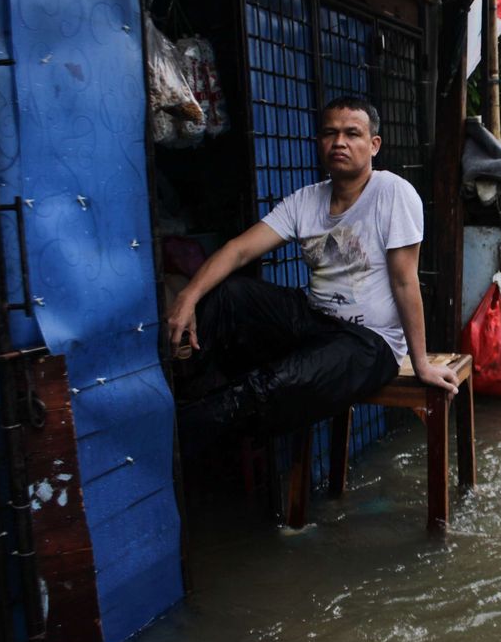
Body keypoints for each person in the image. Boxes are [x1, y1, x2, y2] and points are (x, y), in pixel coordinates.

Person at [166, 95, 457, 435]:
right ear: (319, 142)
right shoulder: (306, 199)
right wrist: (187, 295)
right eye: (330, 133)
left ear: (374, 144)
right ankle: (181, 387)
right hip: (315, 321)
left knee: (273, 384)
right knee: (230, 295)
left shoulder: (393, 192)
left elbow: (405, 282)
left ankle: (177, 435)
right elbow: (238, 251)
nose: (340, 143)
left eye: (352, 134)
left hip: (369, 344)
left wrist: (420, 363)